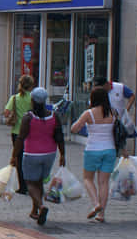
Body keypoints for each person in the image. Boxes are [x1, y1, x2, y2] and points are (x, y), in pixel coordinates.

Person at [11, 87, 65, 226]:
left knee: (29, 182)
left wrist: (14, 156)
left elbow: (21, 138)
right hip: (49, 154)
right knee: (39, 181)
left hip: (31, 154)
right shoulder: (54, 116)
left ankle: (41, 206)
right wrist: (63, 154)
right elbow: (60, 136)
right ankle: (34, 211)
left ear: (32, 100)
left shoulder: (28, 117)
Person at [70, 87, 117, 223]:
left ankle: (96, 203)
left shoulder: (88, 113)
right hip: (110, 150)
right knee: (103, 182)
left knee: (87, 179)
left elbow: (74, 128)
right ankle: (101, 214)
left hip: (92, 149)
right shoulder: (113, 112)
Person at [4, 74, 35, 194]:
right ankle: (32, 183)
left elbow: (6, 113)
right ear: (31, 86)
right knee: (31, 157)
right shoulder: (33, 98)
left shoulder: (15, 98)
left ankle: (23, 186)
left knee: (19, 158)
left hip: (17, 132)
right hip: (31, 131)